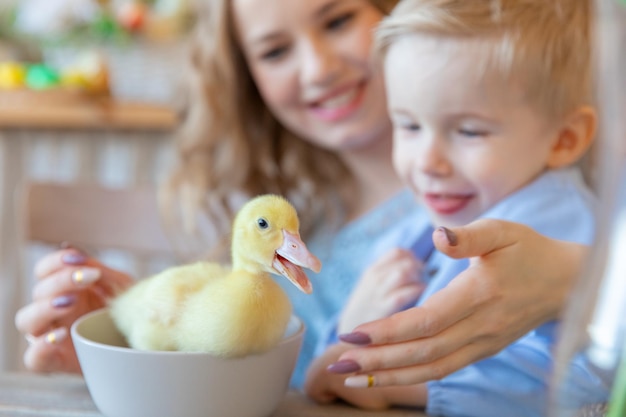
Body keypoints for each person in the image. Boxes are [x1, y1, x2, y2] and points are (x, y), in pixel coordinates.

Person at [14, 0, 431, 386]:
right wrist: (128, 355)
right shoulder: (295, 231)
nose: (318, 68)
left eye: (338, 21)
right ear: (249, 79)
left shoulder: (473, 210)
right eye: (274, 52)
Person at [305, 0, 606, 415]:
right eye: (408, 125)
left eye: (468, 131)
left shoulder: (561, 223)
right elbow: (324, 377)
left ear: (564, 139)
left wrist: (406, 388)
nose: (427, 161)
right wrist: (350, 329)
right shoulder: (414, 230)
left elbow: (585, 378)